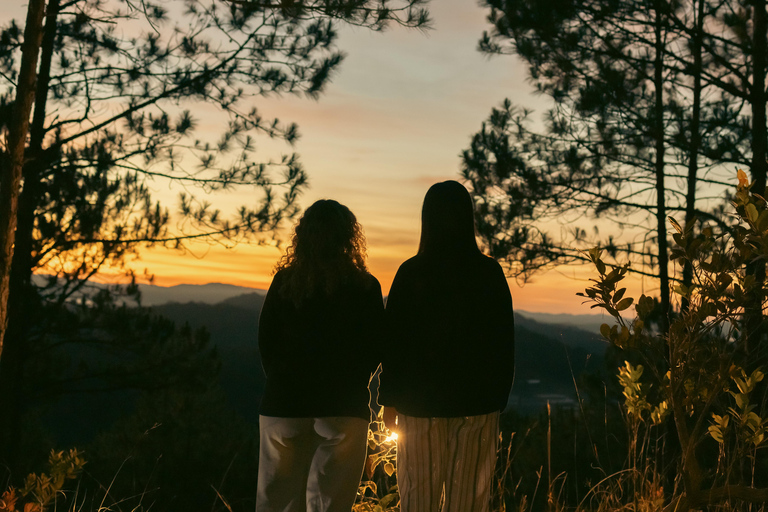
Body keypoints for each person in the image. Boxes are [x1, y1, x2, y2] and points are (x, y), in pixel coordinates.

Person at [378, 180, 515, 512]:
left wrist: (389, 401)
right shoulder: (488, 273)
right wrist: (497, 400)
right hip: (477, 407)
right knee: (469, 502)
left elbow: (393, 343)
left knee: (417, 502)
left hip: (419, 408)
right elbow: (504, 342)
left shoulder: (411, 273)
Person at [256, 199, 384, 512]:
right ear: (348, 237)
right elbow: (377, 347)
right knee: (330, 506)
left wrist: (283, 382)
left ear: (304, 236)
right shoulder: (365, 287)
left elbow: (266, 341)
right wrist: (354, 379)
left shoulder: (285, 283)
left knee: (277, 505)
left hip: (284, 406)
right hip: (343, 408)